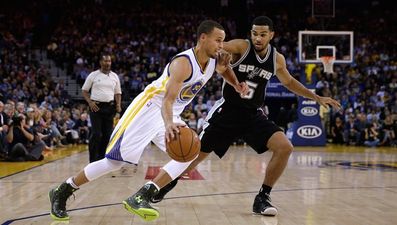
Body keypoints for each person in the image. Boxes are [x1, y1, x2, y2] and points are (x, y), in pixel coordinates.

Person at [49, 20, 248, 222]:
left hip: (170, 114)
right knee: (114, 162)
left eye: (223, 41)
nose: (221, 46)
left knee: (189, 154)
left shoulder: (214, 60)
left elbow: (223, 71)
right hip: (150, 108)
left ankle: (143, 195)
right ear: (203, 38)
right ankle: (62, 190)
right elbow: (167, 100)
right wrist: (169, 123)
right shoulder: (183, 64)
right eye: (218, 40)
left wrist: (237, 84)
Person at [150, 16, 341, 216]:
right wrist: (221, 58)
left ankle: (263, 196)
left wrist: (315, 96)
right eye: (255, 33)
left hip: (253, 115)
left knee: (285, 147)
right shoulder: (241, 46)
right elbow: (218, 50)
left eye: (263, 34)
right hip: (227, 112)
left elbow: (290, 82)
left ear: (272, 35)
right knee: (193, 156)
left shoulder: (277, 60)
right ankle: (164, 184)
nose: (258, 38)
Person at [82, 53, 122, 162]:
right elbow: (84, 90)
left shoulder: (115, 76)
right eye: (105, 61)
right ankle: (93, 159)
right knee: (96, 133)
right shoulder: (93, 75)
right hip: (96, 107)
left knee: (107, 135)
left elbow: (118, 93)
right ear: (100, 62)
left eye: (109, 61)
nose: (107, 63)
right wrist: (90, 102)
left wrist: (118, 105)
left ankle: (101, 158)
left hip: (110, 107)